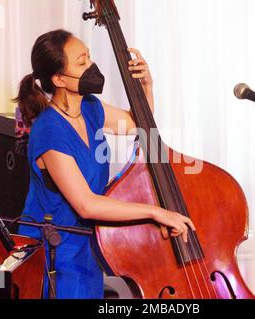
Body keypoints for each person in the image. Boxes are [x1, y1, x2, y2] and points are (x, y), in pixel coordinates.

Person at [13, 29, 195, 299]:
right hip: (53, 254)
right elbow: (86, 204)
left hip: (88, 247)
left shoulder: (90, 107)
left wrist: (147, 86)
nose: (91, 66)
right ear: (59, 78)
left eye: (89, 57)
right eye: (82, 61)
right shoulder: (49, 130)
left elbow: (137, 122)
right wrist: (156, 212)